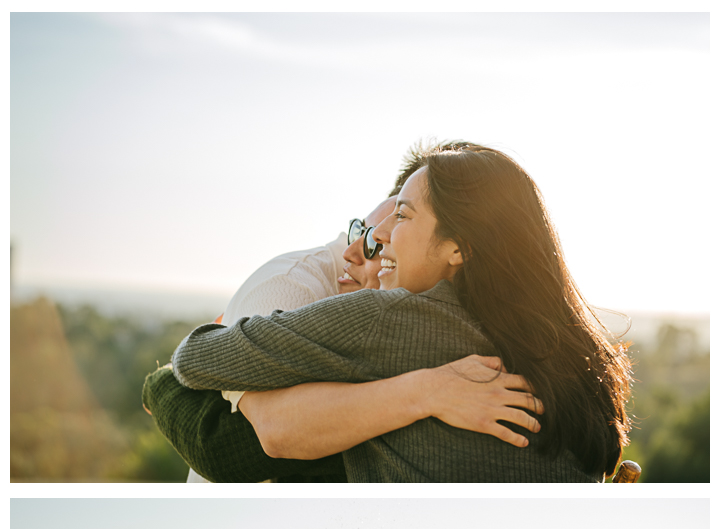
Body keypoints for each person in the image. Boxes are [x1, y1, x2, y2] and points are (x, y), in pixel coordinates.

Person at [145, 141, 631, 482]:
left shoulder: (392, 321)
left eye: (402, 217)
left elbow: (198, 357)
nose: (382, 237)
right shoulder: (580, 359)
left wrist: (227, 374)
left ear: (457, 248)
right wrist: (425, 392)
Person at [184, 198, 396, 482]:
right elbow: (248, 438)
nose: (349, 253)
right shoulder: (293, 289)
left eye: (374, 243)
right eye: (358, 231)